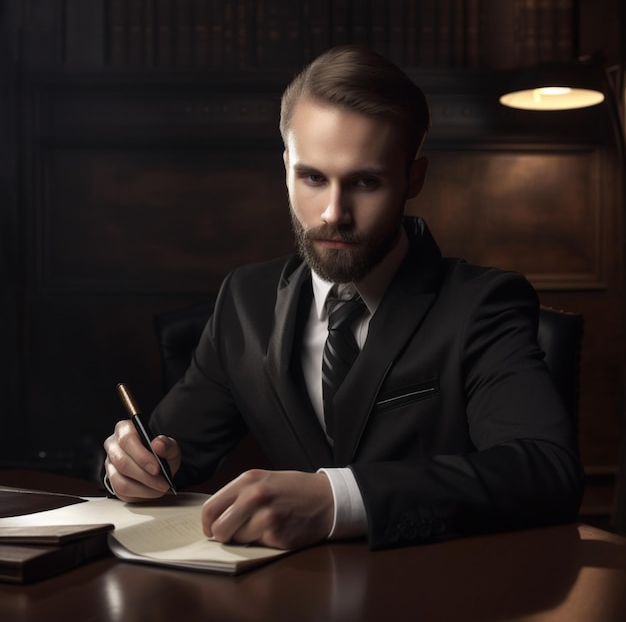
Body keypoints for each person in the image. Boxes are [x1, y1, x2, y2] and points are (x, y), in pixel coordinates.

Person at [103, 45, 584, 551]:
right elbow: (165, 455)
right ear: (286, 167)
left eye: (366, 182)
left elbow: (546, 472)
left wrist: (337, 500)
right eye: (312, 177)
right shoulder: (245, 300)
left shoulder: (481, 304)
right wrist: (129, 469)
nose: (334, 212)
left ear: (412, 179)